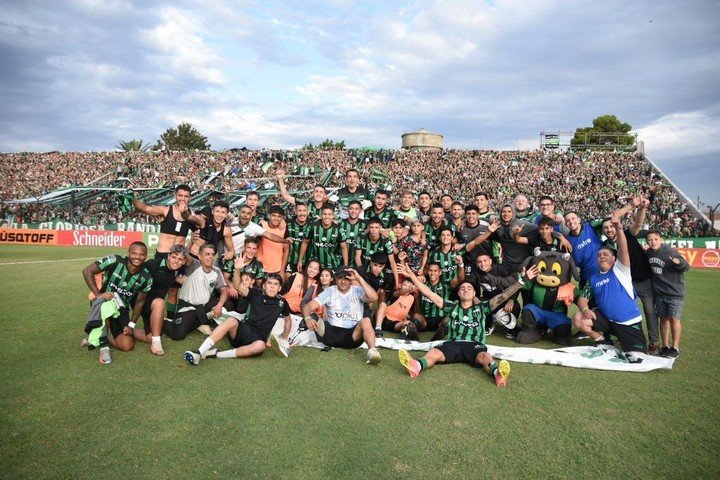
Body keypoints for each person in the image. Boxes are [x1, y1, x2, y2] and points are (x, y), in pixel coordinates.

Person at [396, 263, 530, 387]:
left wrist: (522, 281)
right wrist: (412, 275)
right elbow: (428, 293)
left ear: (474, 293)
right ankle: (416, 366)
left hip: (474, 345)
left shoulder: (483, 307)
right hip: (453, 343)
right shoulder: (452, 307)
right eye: (462, 288)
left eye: (469, 288)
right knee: (435, 352)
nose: (466, 290)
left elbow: (504, 295)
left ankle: (498, 374)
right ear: (459, 293)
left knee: (485, 356)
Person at [572, 217, 648, 362]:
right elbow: (582, 299)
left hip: (628, 322)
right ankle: (602, 341)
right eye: (599, 255)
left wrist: (619, 229)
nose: (601, 256)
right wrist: (584, 309)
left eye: (606, 254)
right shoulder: (593, 278)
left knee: (637, 357)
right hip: (608, 321)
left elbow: (624, 250)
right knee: (578, 318)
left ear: (615, 259)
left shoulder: (621, 270)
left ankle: (624, 340)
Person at [183, 273, 292, 364]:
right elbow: (238, 287)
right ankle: (198, 352)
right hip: (243, 331)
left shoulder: (282, 303)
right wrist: (237, 269)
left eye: (275, 284)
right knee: (231, 320)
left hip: (258, 339)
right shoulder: (256, 293)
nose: (272, 286)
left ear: (279, 288)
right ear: (264, 286)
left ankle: (216, 354)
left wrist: (284, 339)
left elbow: (288, 320)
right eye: (269, 283)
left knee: (260, 346)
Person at [81, 242, 153, 365]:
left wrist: (131, 324)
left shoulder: (146, 278)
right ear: (128, 253)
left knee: (127, 346)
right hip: (103, 302)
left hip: (121, 309)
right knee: (105, 305)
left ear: (146, 256)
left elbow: (140, 302)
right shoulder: (114, 260)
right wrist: (98, 294)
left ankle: (98, 336)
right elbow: (87, 271)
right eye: (134, 253)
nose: (137, 257)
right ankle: (104, 348)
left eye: (141, 255)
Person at [602, 196, 659, 353]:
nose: (608, 230)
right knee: (623, 312)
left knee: (649, 312)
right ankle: (625, 338)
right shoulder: (606, 246)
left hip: (644, 281)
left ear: (615, 226)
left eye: (610, 227)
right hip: (625, 284)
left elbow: (638, 223)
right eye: (605, 228)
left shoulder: (627, 234)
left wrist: (641, 208)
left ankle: (654, 343)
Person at [301, 266, 382, 364]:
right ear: (335, 279)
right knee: (313, 316)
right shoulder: (329, 291)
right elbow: (307, 306)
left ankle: (372, 352)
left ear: (351, 279)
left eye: (346, 278)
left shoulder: (357, 290)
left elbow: (374, 298)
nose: (343, 281)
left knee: (366, 321)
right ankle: (290, 340)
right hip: (331, 335)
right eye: (340, 278)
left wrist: (359, 278)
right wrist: (307, 318)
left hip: (352, 337)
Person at [166, 244, 229, 342]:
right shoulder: (194, 264)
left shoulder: (216, 271)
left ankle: (200, 321)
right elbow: (184, 253)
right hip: (188, 305)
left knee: (228, 304)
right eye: (207, 254)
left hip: (204, 305)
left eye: (213, 254)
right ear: (200, 256)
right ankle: (163, 322)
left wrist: (219, 305)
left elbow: (224, 290)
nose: (211, 257)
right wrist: (192, 241)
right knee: (177, 335)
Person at [135, 244, 189, 356]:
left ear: (184, 262)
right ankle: (156, 344)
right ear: (168, 256)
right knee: (160, 302)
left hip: (152, 308)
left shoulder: (178, 270)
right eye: (174, 257)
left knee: (150, 336)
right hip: (139, 301)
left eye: (180, 259)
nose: (176, 261)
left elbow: (183, 280)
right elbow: (134, 272)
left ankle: (127, 332)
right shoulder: (153, 264)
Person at [646, 230, 690, 358]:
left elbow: (687, 267)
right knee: (663, 320)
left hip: (675, 293)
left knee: (674, 319)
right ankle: (665, 346)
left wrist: (679, 263)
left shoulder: (670, 252)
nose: (653, 242)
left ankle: (675, 347)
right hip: (659, 293)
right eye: (650, 240)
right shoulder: (648, 253)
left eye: (655, 239)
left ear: (661, 239)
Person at [131, 184, 200, 258]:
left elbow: (201, 226)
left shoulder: (192, 216)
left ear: (190, 198)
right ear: (175, 195)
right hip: (163, 255)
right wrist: (132, 198)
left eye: (186, 196)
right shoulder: (165, 210)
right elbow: (145, 208)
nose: (183, 199)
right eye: (180, 195)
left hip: (179, 258)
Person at [298, 203, 349, 271]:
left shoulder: (338, 229)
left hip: (332, 264)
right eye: (324, 214)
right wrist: (300, 261)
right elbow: (305, 242)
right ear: (321, 215)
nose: (327, 217)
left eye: (329, 214)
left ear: (333, 216)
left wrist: (346, 266)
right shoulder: (313, 226)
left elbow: (344, 248)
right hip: (315, 264)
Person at [354, 217, 399, 287]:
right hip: (364, 268)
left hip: (379, 271)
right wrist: (362, 273)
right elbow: (357, 257)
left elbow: (392, 262)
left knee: (387, 284)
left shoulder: (386, 241)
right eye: (372, 227)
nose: (374, 230)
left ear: (380, 228)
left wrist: (397, 282)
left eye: (376, 227)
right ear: (368, 228)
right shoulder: (361, 238)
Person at [257, 205, 289, 276]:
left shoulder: (284, 229)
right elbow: (255, 244)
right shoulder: (262, 225)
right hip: (261, 266)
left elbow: (286, 251)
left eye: (279, 216)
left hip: (277, 268)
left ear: (282, 218)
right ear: (269, 216)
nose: (276, 218)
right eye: (274, 215)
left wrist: (282, 271)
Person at [285, 201, 311, 275]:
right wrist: (285, 240)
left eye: (304, 210)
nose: (302, 213)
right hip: (291, 260)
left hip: (308, 261)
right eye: (299, 210)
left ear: (308, 212)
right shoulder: (288, 222)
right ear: (295, 212)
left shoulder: (312, 223)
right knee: (288, 279)